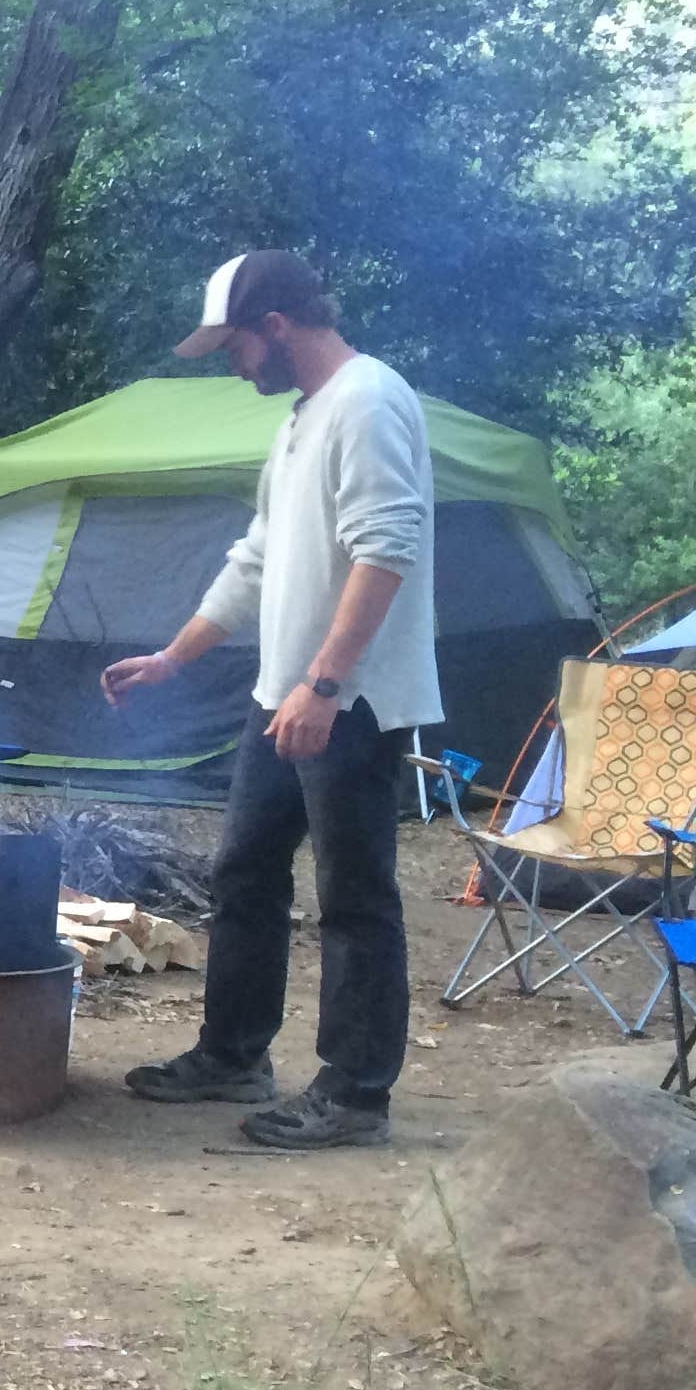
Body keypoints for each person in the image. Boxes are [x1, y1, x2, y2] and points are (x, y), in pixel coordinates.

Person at [103, 250, 435, 1150]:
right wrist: (174, 657)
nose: (233, 362)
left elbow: (386, 550)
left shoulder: (368, 401)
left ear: (277, 328)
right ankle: (235, 1053)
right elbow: (256, 557)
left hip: (347, 700)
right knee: (244, 871)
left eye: (236, 346)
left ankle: (357, 1093)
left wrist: (327, 685)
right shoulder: (302, 420)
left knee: (355, 895)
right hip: (284, 693)